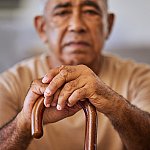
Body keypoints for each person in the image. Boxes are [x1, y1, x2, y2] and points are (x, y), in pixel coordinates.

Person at [0, 0, 150, 149]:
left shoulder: (141, 78)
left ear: (108, 25)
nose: (77, 26)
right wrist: (24, 123)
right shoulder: (9, 83)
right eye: (62, 12)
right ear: (42, 28)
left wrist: (116, 105)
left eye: (90, 12)